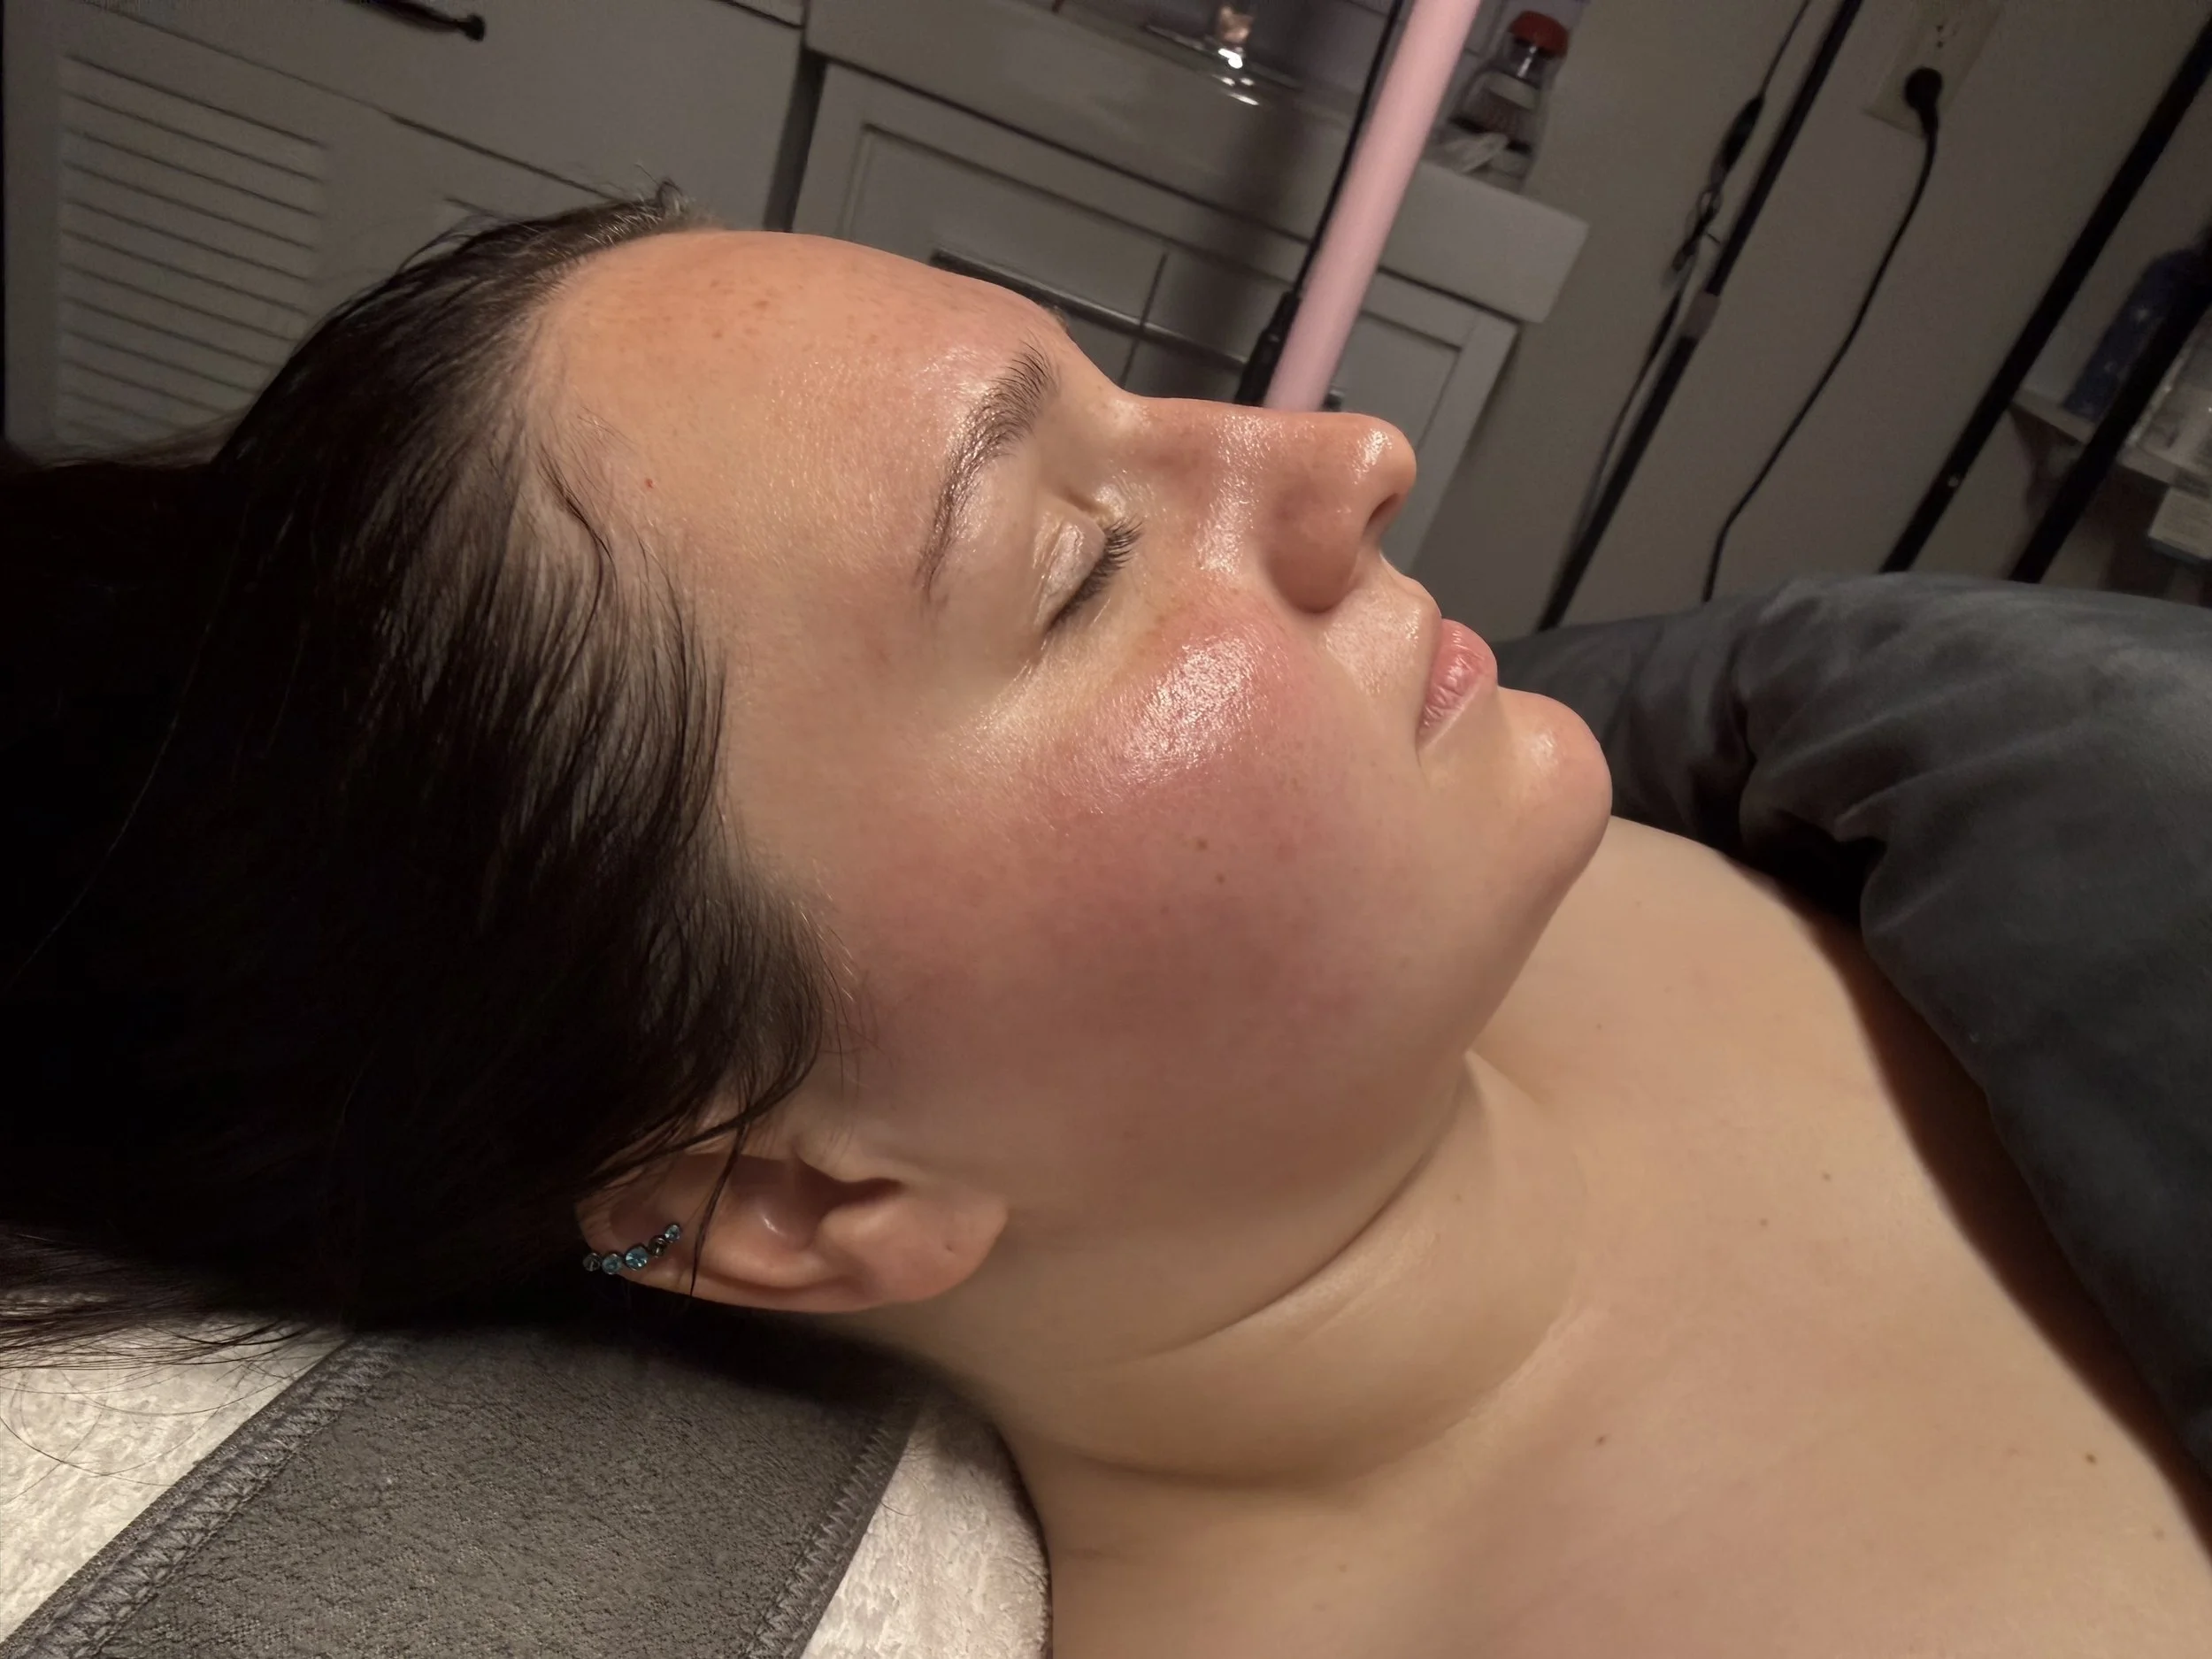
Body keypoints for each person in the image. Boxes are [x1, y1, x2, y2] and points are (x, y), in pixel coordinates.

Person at [4, 193, 2208, 1656]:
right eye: (1073, 564)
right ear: (798, 1188)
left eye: (1129, 396)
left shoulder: (1633, 833)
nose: (1347, 454)